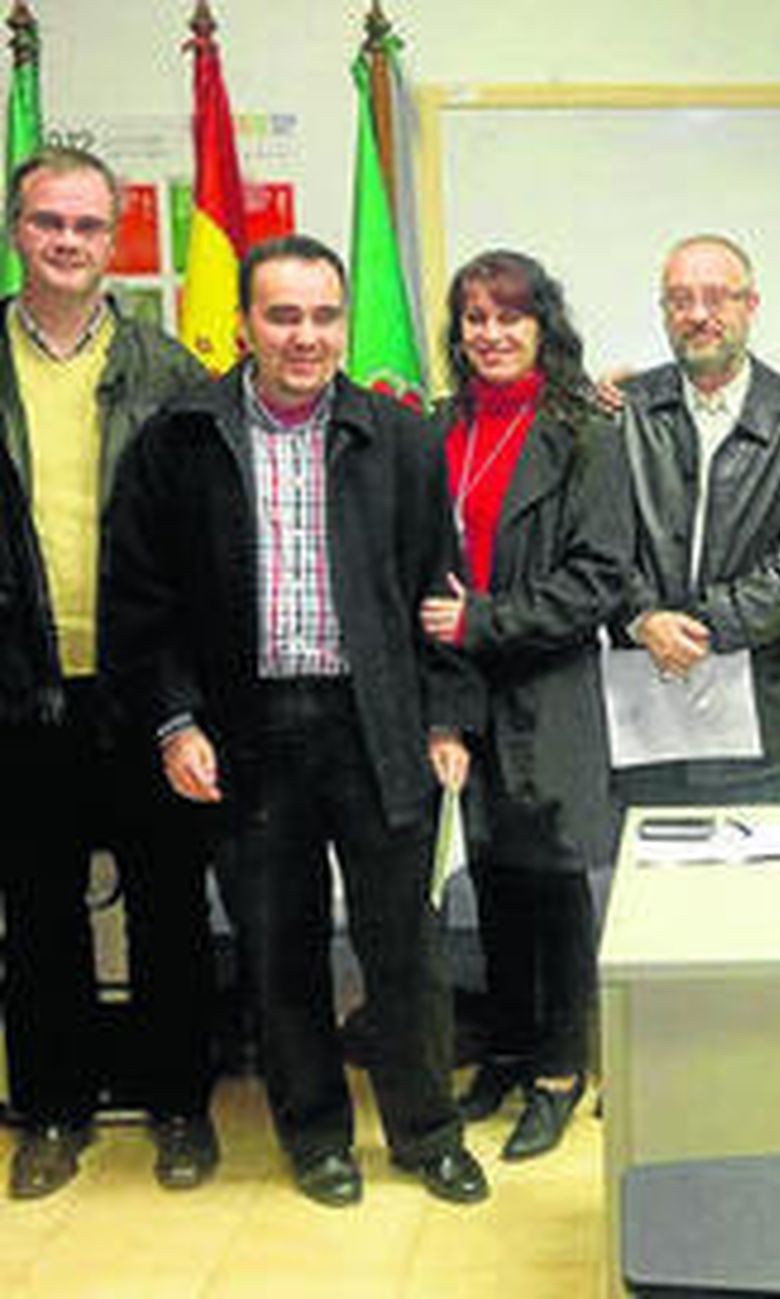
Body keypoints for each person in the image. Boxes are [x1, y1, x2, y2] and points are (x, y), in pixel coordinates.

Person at [105, 234, 488, 1207]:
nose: (305, 337)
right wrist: (174, 722)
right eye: (282, 316)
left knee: (403, 944)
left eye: (323, 316)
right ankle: (316, 1138)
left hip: (379, 724)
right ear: (243, 325)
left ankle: (425, 1134)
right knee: (280, 948)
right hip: (249, 731)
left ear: (342, 322)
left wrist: (445, 717)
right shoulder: (179, 440)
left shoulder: (398, 440)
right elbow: (141, 604)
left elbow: (436, 594)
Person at [0, 146, 215, 1198]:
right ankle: (51, 1111)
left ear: (114, 236)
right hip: (16, 689)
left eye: (89, 226)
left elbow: (202, 541)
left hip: (144, 687)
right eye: (50, 222)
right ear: (15, 228)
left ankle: (179, 1107)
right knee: (37, 914)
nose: (70, 243)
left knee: (170, 909)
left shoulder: (167, 368)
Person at [417, 250, 632, 1158]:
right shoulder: (434, 428)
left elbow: (597, 580)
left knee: (551, 877)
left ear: (542, 325)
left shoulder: (585, 430)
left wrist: (484, 619)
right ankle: (504, 1050)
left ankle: (558, 1065)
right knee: (492, 876)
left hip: (547, 684)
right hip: (462, 689)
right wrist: (448, 687)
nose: (492, 334)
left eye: (510, 316)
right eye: (475, 317)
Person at [613, 233, 780, 806]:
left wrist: (692, 627)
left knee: (751, 883)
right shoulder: (622, 413)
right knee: (650, 882)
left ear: (751, 305)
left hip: (758, 712)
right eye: (680, 299)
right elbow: (596, 541)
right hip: (642, 709)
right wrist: (641, 618)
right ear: (663, 311)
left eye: (718, 297)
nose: (699, 315)